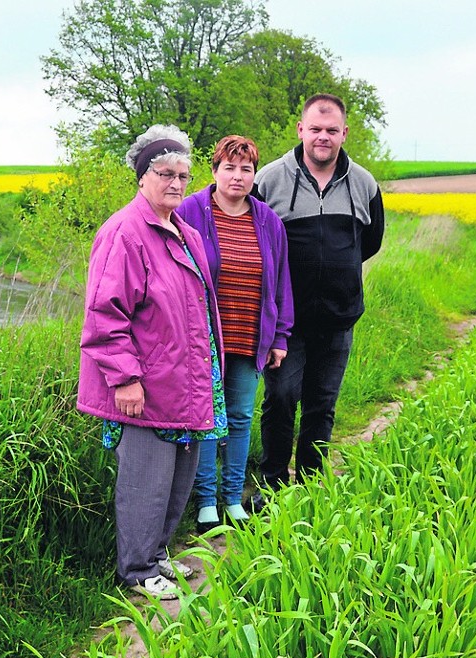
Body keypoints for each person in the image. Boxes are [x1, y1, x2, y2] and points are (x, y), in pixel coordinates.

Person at [77, 124, 227, 599]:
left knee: (179, 477)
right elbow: (104, 314)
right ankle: (137, 571)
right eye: (166, 173)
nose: (177, 183)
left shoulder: (183, 231)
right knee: (145, 481)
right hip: (145, 384)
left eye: (184, 174)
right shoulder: (124, 232)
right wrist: (125, 379)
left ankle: (158, 556)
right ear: (143, 176)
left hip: (185, 381)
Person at [253, 93, 385, 500]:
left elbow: (372, 241)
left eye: (331, 130)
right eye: (315, 129)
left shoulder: (364, 184)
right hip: (286, 322)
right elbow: (254, 241)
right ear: (301, 130)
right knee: (280, 397)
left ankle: (309, 485)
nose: (323, 137)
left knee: (321, 404)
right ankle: (273, 483)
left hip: (338, 318)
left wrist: (335, 276)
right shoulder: (271, 179)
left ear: (344, 133)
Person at [176, 135, 293, 533]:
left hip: (249, 334)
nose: (237, 176)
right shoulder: (190, 211)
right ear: (214, 171)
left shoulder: (267, 220)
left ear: (254, 174)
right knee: (207, 418)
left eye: (246, 169)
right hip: (203, 339)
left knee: (240, 418)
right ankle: (206, 500)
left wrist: (280, 336)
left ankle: (232, 498)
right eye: (229, 167)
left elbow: (280, 282)